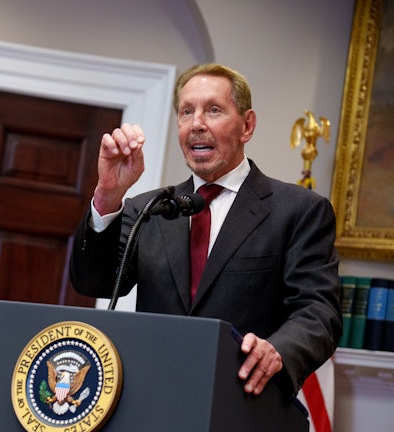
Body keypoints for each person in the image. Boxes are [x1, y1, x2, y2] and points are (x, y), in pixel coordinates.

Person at [70, 63, 341, 398]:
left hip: (242, 402)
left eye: (213, 110)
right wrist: (108, 196)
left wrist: (276, 350)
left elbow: (318, 312)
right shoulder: (148, 210)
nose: (196, 124)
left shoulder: (297, 211)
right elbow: (92, 282)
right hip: (152, 399)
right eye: (186, 112)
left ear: (247, 125)